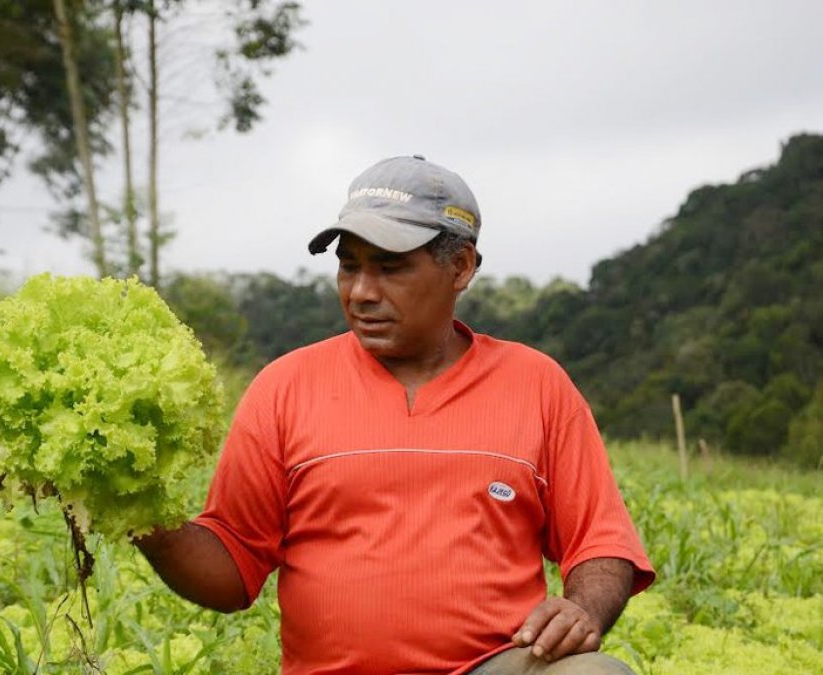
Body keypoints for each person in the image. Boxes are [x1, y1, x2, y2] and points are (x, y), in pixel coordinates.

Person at [136, 155, 655, 674]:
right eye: (349, 265)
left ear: (461, 267)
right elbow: (231, 569)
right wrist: (139, 514)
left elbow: (601, 541)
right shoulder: (285, 387)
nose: (361, 291)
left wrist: (583, 608)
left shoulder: (536, 385)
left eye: (390, 267)